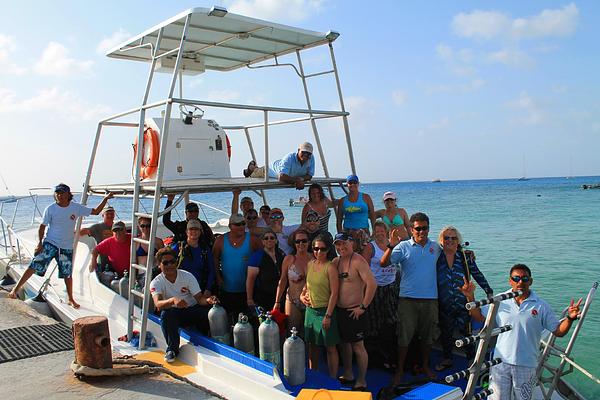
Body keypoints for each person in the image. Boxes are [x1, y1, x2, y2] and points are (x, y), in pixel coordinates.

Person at [460, 264, 581, 400]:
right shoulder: (501, 300)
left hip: (526, 365)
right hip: (500, 362)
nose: (520, 282)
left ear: (531, 281)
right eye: (516, 278)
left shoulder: (541, 306)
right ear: (510, 281)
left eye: (524, 278)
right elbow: (479, 317)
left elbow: (558, 331)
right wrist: (470, 297)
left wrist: (570, 318)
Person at [8, 184, 113, 308]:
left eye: (62, 193)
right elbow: (42, 226)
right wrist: (39, 243)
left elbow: (95, 212)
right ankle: (15, 289)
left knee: (67, 274)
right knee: (34, 265)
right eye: (57, 193)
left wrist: (105, 199)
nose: (59, 195)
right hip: (50, 243)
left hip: (66, 246)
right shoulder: (50, 209)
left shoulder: (75, 208)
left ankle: (70, 299)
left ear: (68, 194)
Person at [380, 212, 440, 383]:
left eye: (425, 228)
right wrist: (391, 246)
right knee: (404, 337)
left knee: (428, 337)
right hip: (407, 300)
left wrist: (468, 254)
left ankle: (425, 365)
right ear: (411, 229)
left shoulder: (435, 247)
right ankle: (399, 369)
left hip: (430, 300)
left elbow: (451, 253)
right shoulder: (403, 246)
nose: (422, 232)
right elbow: (384, 263)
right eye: (418, 229)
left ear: (429, 228)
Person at [435, 226, 492, 371]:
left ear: (458, 241)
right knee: (445, 333)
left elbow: (476, 273)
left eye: (453, 238)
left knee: (466, 332)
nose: (450, 241)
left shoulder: (465, 257)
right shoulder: (435, 257)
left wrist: (488, 291)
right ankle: (447, 359)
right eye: (446, 238)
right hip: (443, 303)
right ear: (441, 240)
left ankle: (471, 359)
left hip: (463, 303)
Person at [150, 247, 218, 363]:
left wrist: (209, 300)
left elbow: (200, 299)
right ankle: (172, 349)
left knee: (210, 311)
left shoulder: (187, 276)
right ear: (159, 265)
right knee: (166, 314)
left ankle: (210, 341)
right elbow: (158, 304)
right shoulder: (156, 282)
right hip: (174, 313)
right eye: (165, 263)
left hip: (192, 310)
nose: (170, 265)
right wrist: (172, 301)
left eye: (172, 262)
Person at [334, 232, 377, 392]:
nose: (341, 247)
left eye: (344, 243)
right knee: (344, 344)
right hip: (340, 311)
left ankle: (362, 380)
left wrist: (363, 307)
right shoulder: (336, 261)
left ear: (351, 243)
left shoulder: (358, 261)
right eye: (338, 244)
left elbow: (372, 284)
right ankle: (348, 373)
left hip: (355, 312)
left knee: (358, 347)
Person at [361, 221, 400, 370]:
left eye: (381, 231)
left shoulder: (394, 244)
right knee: (374, 323)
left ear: (387, 231)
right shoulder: (370, 247)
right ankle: (375, 357)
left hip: (391, 287)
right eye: (376, 231)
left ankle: (389, 356)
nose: (379, 233)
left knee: (391, 322)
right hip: (375, 288)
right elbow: (363, 268)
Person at [300, 234, 340, 378]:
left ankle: (333, 378)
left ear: (328, 249)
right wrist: (302, 295)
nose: (319, 252)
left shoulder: (330, 268)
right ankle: (313, 374)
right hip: (310, 311)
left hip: (325, 311)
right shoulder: (310, 264)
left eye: (322, 249)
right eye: (316, 249)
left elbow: (334, 293)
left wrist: (328, 315)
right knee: (312, 346)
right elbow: (307, 285)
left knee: (330, 348)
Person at [213, 213, 262, 322]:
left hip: (248, 292)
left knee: (247, 321)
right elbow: (215, 258)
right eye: (237, 224)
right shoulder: (220, 240)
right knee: (229, 320)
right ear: (230, 226)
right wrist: (218, 277)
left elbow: (263, 259)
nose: (241, 227)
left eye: (243, 224)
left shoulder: (253, 240)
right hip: (227, 289)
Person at [274, 229, 311, 335]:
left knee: (309, 335)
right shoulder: (289, 259)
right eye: (297, 241)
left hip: (310, 302)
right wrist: (277, 302)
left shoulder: (314, 258)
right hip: (292, 300)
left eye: (304, 241)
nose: (301, 244)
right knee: (292, 333)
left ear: (309, 242)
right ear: (294, 244)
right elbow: (283, 280)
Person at [246, 229, 286, 311]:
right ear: (262, 242)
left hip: (281, 296)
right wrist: (249, 299)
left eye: (272, 238)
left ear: (276, 240)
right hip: (263, 296)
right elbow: (250, 280)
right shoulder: (257, 257)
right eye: (266, 238)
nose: (269, 240)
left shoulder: (281, 254)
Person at [171, 219, 215, 292]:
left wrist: (208, 289)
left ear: (200, 232)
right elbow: (166, 260)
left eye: (197, 229)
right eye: (191, 229)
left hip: (200, 289)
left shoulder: (205, 250)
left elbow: (211, 270)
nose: (194, 231)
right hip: (181, 289)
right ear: (186, 231)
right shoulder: (178, 247)